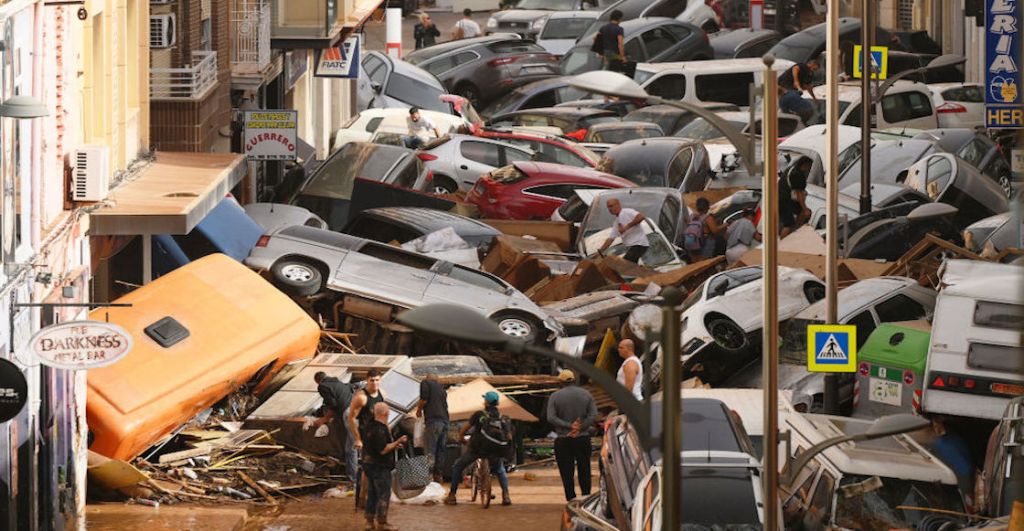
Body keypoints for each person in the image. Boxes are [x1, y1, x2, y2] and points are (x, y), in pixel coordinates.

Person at [446, 391, 512, 506]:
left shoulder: (479, 415)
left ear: (486, 402)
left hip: (477, 449)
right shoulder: (503, 418)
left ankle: (452, 495)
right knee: (500, 470)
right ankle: (506, 496)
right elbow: (509, 436)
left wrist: (461, 438)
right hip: (494, 451)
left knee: (458, 466)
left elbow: (465, 428)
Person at [546, 369, 598, 501]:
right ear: (574, 380)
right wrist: (580, 427)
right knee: (584, 468)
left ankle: (571, 499)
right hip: (582, 438)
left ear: (560, 382)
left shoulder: (555, 396)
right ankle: (586, 497)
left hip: (563, 439)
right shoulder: (586, 394)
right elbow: (593, 415)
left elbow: (551, 417)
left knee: (566, 471)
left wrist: (569, 426)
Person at [362, 402, 407, 531]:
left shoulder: (368, 427)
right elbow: (383, 449)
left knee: (372, 493)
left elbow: (378, 447)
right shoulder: (380, 429)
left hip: (368, 465)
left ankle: (369, 522)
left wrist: (393, 445)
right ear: (386, 413)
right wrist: (398, 442)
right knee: (383, 494)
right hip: (379, 466)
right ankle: (382, 523)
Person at [347, 369, 387, 507]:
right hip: (367, 438)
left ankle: (375, 499)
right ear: (367, 380)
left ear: (380, 380)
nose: (375, 383)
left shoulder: (382, 394)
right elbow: (351, 418)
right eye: (372, 380)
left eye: (377, 380)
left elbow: (384, 416)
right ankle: (363, 499)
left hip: (380, 438)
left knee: (380, 468)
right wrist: (357, 439)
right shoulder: (361, 397)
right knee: (367, 470)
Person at [311, 372, 358, 486]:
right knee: (355, 446)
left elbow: (332, 404)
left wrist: (324, 419)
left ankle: (354, 478)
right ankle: (358, 476)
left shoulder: (323, 386)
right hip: (357, 410)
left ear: (317, 381)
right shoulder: (338, 382)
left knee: (351, 449)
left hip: (349, 414)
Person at [415, 374, 449, 483]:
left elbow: (424, 399)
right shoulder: (441, 388)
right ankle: (438, 476)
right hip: (445, 421)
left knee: (430, 449)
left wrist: (419, 410)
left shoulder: (425, 383)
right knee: (441, 450)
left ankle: (428, 476)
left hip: (434, 421)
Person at [598, 198, 648, 263]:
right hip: (631, 247)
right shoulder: (616, 222)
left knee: (624, 265)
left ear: (618, 205)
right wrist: (600, 251)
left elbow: (641, 217)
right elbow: (610, 239)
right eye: (608, 207)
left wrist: (626, 227)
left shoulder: (627, 211)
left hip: (639, 244)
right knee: (631, 269)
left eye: (611, 206)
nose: (610, 209)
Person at [778, 59, 820, 124]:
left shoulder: (809, 74)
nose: (813, 70)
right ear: (812, 64)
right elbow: (795, 68)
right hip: (785, 84)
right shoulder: (803, 66)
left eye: (815, 70)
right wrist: (796, 81)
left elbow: (808, 87)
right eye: (814, 68)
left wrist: (814, 98)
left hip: (792, 91)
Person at [683, 197, 724, 262]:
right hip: (705, 242)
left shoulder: (691, 217)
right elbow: (715, 231)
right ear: (707, 207)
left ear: (697, 206)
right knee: (705, 262)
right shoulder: (708, 218)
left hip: (691, 241)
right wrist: (724, 225)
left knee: (695, 262)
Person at [779, 160, 811, 238]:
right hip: (783, 200)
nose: (809, 169)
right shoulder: (797, 175)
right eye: (808, 166)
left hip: (784, 197)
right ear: (804, 165)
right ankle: (782, 243)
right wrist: (805, 208)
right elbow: (799, 194)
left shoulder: (791, 169)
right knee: (788, 224)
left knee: (803, 213)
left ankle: (794, 231)